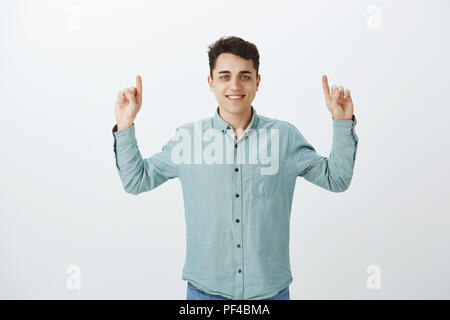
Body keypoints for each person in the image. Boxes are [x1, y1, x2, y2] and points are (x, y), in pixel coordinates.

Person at [112, 36, 358, 300]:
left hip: (270, 292)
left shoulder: (284, 138)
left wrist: (341, 121)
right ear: (211, 82)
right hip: (205, 293)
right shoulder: (188, 140)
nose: (234, 86)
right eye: (224, 76)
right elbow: (136, 180)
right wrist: (126, 124)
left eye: (244, 76)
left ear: (257, 81)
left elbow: (336, 179)